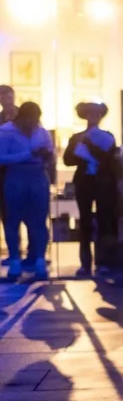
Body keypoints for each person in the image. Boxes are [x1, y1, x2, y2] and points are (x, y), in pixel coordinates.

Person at [64, 102, 120, 277]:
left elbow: (109, 160)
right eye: (90, 113)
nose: (93, 116)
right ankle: (85, 263)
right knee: (85, 223)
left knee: (104, 222)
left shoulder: (108, 136)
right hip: (84, 183)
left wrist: (90, 146)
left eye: (96, 113)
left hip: (103, 182)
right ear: (85, 115)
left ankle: (103, 262)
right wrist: (78, 146)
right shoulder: (76, 136)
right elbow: (68, 160)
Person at [0, 102, 53, 278]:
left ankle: (39, 260)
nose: (33, 124)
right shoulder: (7, 131)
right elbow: (1, 158)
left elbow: (50, 153)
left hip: (38, 175)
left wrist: (47, 155)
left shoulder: (41, 131)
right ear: (21, 117)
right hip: (16, 176)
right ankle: (15, 260)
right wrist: (28, 154)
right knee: (13, 219)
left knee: (39, 220)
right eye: (30, 120)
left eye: (36, 120)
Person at [0, 85, 17, 266]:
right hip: (3, 173)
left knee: (27, 214)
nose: (6, 99)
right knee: (7, 214)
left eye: (8, 95)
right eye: (2, 96)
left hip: (21, 171)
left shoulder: (25, 116)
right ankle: (14, 251)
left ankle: (34, 254)